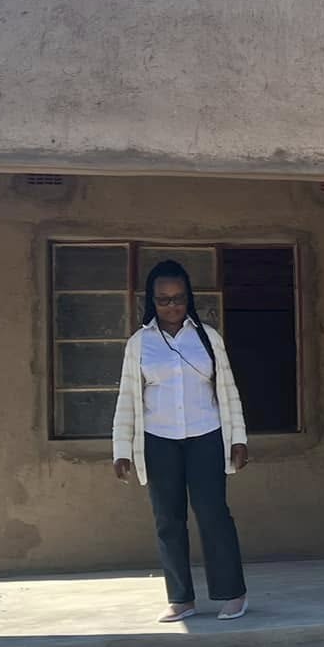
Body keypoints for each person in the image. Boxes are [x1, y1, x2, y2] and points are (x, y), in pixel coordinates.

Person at [112, 260, 251, 621]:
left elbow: (228, 390)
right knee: (168, 520)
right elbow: (127, 398)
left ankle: (232, 593)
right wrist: (121, 449)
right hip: (159, 440)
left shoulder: (208, 338)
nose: (171, 306)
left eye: (178, 298)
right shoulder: (139, 344)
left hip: (207, 436)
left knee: (213, 514)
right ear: (152, 300)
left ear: (188, 297)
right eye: (163, 299)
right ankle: (180, 598)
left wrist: (238, 438)